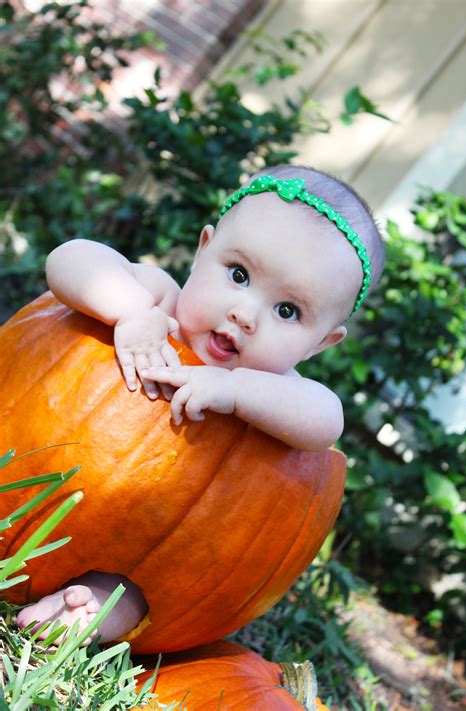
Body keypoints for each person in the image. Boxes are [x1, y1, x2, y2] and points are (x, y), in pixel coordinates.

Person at [17, 164, 384, 644]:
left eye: (287, 311)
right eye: (238, 274)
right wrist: (130, 309)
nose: (246, 314)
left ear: (321, 344)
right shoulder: (159, 300)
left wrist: (234, 392)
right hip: (37, 469)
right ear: (203, 248)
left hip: (140, 547)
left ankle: (83, 615)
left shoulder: (276, 389)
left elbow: (327, 421)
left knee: (129, 590)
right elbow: (71, 258)